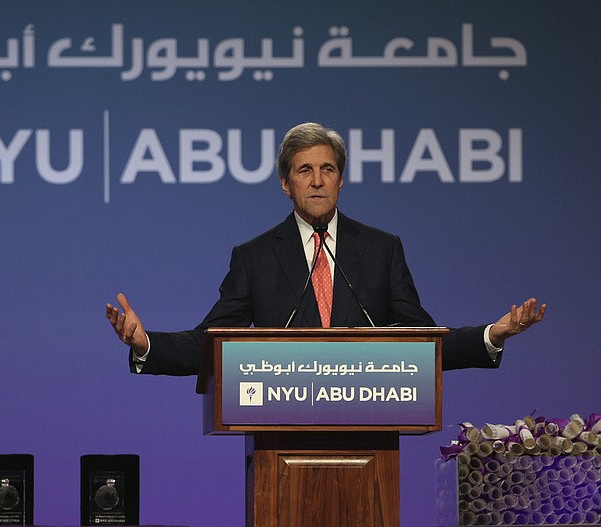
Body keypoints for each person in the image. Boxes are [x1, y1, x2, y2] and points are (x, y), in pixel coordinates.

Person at [106, 122, 546, 375]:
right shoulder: (255, 257)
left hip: (369, 430)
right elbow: (212, 343)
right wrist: (147, 344)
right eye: (304, 170)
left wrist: (492, 333)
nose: (317, 180)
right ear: (286, 183)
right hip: (279, 432)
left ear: (340, 179)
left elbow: (421, 341)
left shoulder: (381, 249)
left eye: (327, 169)